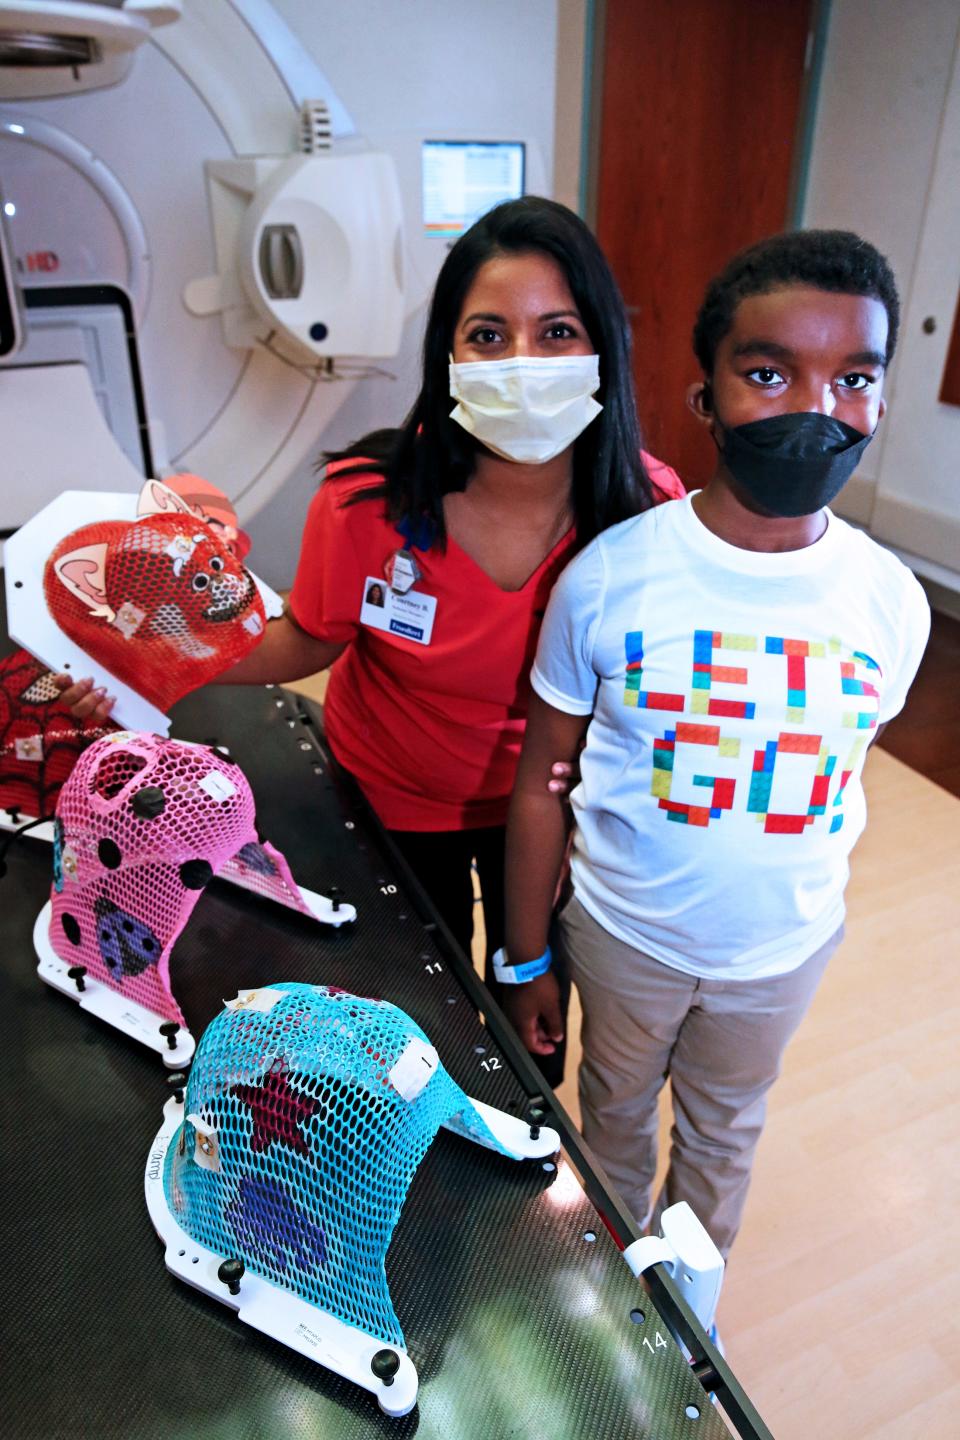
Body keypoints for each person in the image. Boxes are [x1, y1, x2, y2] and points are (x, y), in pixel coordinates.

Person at [58, 197, 684, 1085]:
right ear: (448, 354)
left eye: (556, 332)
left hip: (550, 812)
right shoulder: (367, 498)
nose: (522, 363)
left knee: (528, 1015)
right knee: (414, 1019)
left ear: (601, 352)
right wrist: (141, 655)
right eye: (489, 335)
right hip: (390, 799)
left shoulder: (649, 511)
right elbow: (305, 639)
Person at [501, 229, 930, 1255]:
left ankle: (690, 1317)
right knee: (609, 1123)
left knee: (725, 1137)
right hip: (624, 938)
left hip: (779, 954)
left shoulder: (890, 602)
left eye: (854, 377)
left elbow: (839, 766)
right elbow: (539, 786)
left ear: (880, 400)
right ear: (708, 396)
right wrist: (524, 963)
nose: (815, 411)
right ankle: (606, 1306)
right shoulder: (609, 578)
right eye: (770, 371)